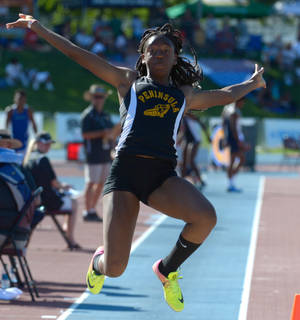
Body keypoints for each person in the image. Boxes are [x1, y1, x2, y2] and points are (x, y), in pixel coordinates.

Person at [7, 15, 266, 312]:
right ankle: (99, 262)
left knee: (205, 217)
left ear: (174, 58)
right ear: (143, 56)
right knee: (116, 267)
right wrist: (38, 28)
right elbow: (79, 54)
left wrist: (252, 83)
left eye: (164, 51)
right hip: (125, 175)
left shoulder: (184, 95)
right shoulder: (127, 81)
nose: (158, 54)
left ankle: (167, 270)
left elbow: (224, 96)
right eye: (152, 50)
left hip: (162, 176)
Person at [23, 132, 80, 250]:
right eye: (45, 144)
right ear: (38, 143)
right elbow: (54, 183)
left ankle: (67, 230)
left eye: (49, 144)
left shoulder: (27, 159)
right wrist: (64, 186)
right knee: (74, 203)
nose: (48, 146)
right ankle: (70, 237)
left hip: (31, 200)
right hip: (46, 200)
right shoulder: (43, 159)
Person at [81, 84, 119, 222]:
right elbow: (85, 134)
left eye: (101, 97)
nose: (99, 99)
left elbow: (111, 133)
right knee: (91, 183)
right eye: (96, 97)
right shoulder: (87, 115)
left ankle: (92, 209)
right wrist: (102, 133)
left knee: (102, 183)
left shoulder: (106, 115)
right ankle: (86, 210)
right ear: (92, 98)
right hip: (93, 153)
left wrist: (114, 146)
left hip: (105, 153)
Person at [221, 97, 250, 192]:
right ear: (239, 101)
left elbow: (224, 125)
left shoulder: (227, 109)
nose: (243, 104)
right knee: (239, 159)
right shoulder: (234, 112)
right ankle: (230, 182)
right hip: (234, 139)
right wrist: (239, 141)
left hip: (231, 139)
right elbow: (234, 129)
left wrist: (225, 138)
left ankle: (231, 182)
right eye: (243, 102)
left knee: (235, 160)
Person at [179, 112, 211, 188]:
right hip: (187, 139)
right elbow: (183, 130)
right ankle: (182, 181)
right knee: (183, 162)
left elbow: (201, 124)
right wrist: (179, 139)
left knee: (191, 161)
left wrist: (207, 136)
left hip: (195, 140)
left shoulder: (188, 114)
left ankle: (200, 180)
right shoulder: (181, 115)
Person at [5, 90, 38, 154]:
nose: (20, 101)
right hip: (13, 139)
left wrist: (36, 136)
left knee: (23, 161)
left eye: (22, 99)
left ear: (25, 100)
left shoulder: (28, 111)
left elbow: (33, 124)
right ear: (15, 99)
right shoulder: (10, 111)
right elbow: (6, 126)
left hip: (24, 140)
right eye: (19, 99)